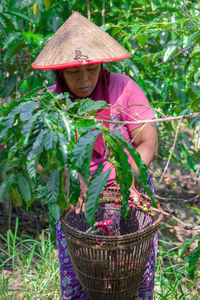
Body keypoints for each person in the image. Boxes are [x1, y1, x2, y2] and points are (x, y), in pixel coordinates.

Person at [32, 11, 158, 300]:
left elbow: (146, 141)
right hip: (77, 201)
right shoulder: (51, 103)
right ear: (60, 73)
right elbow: (40, 154)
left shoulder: (123, 88)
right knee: (82, 281)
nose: (85, 79)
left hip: (129, 195)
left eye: (91, 70)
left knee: (132, 279)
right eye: (74, 73)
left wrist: (129, 180)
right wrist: (68, 181)